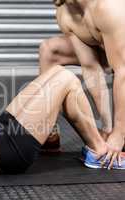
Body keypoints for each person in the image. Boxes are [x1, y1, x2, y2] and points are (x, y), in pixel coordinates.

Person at [39, 0, 125, 165]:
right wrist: (107, 128)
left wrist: (119, 135)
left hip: (121, 58)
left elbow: (123, 71)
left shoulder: (109, 7)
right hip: (111, 51)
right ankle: (48, 133)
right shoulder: (65, 13)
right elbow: (91, 67)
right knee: (49, 50)